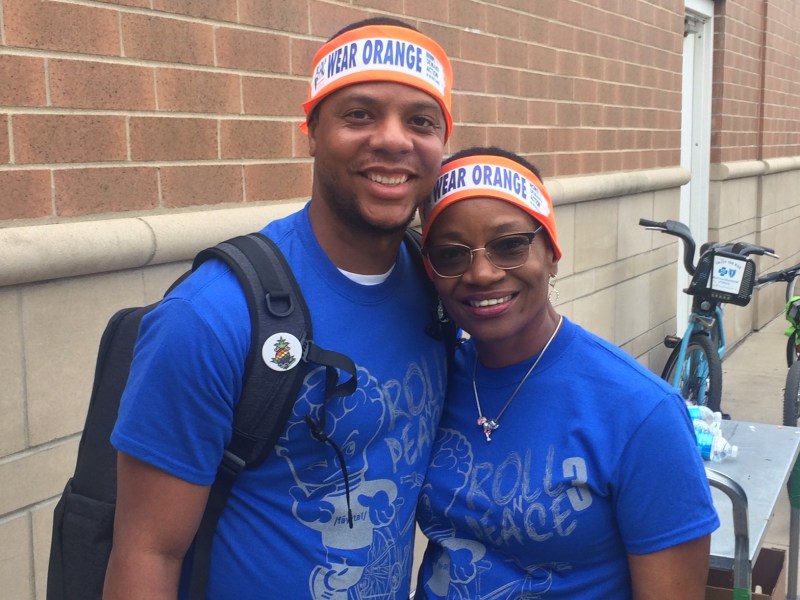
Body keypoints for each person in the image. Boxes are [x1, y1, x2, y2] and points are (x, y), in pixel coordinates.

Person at [103, 18, 454, 600]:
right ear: (311, 130)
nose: (393, 139)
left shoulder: (438, 290)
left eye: (420, 120)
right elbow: (146, 553)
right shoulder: (211, 316)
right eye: (359, 114)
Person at [414, 147, 720, 599]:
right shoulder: (433, 380)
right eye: (451, 254)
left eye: (510, 245)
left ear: (552, 254)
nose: (480, 273)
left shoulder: (640, 411)